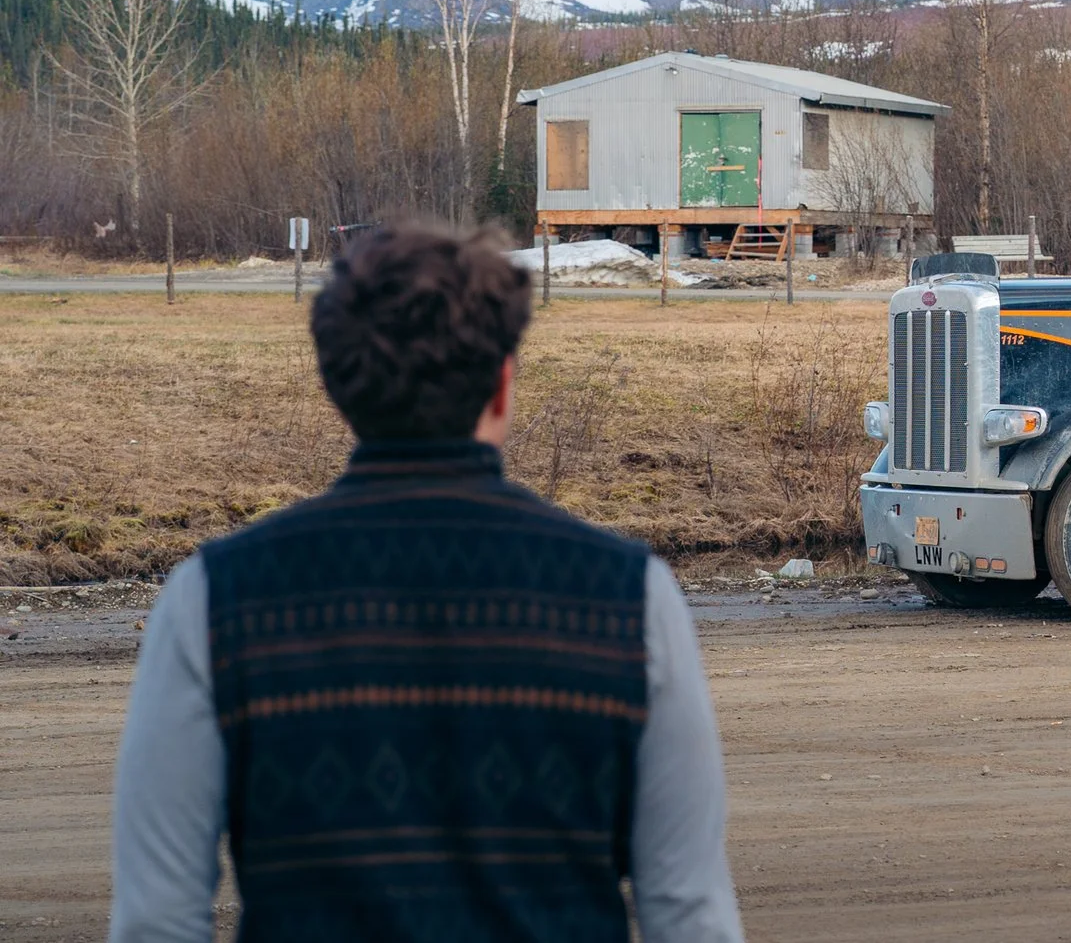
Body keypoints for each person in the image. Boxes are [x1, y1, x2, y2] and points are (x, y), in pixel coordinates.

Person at [109, 220, 743, 943]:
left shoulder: (214, 598)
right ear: (503, 383)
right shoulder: (631, 598)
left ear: (335, 382)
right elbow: (688, 913)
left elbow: (156, 920)